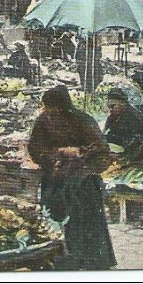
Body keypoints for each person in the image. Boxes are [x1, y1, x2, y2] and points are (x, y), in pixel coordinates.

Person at [27, 86, 116, 270]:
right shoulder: (43, 121)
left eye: (53, 108)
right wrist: (58, 154)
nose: (48, 112)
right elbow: (35, 148)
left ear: (63, 107)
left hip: (83, 182)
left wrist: (81, 159)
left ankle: (93, 261)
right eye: (47, 108)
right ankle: (63, 261)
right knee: (56, 221)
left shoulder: (82, 120)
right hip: (55, 180)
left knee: (87, 222)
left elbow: (102, 152)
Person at [103, 88, 143, 164]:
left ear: (123, 103)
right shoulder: (112, 117)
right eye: (109, 107)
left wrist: (121, 156)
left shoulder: (134, 116)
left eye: (113, 106)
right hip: (118, 149)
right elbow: (105, 133)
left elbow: (137, 143)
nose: (111, 110)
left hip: (137, 152)